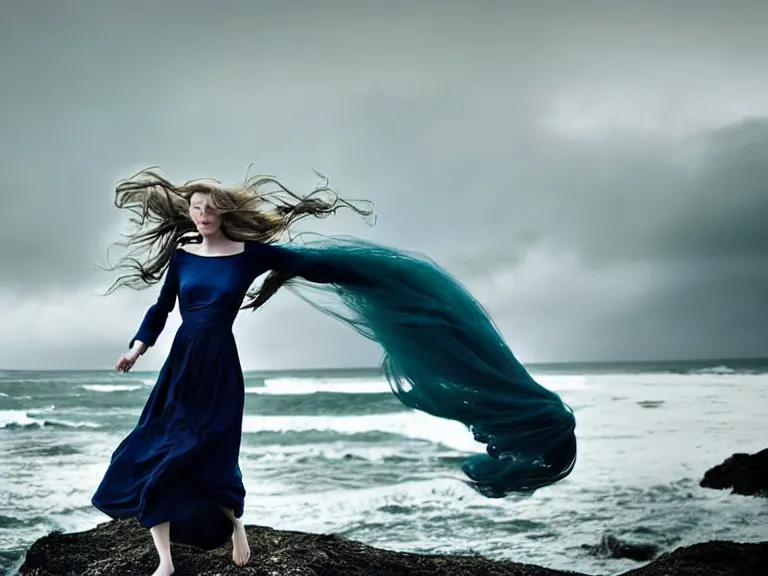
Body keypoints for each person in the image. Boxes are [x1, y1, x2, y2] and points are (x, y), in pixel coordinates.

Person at [92, 167, 577, 576]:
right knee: (157, 444)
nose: (203, 214)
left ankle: (236, 523)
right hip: (181, 362)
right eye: (196, 207)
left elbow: (309, 265)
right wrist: (137, 349)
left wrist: (370, 276)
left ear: (223, 211)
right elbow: (161, 308)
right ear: (189, 212)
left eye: (210, 208)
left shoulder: (251, 255)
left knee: (210, 444)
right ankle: (166, 564)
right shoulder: (183, 256)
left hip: (220, 363)